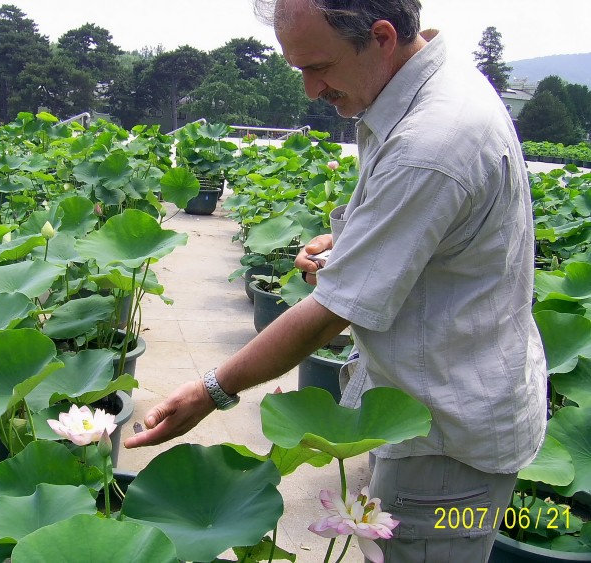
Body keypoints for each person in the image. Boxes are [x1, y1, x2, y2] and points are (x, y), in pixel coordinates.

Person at [125, 0, 547, 560]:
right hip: (434, 404)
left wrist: (211, 390)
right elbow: (434, 231)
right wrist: (350, 247)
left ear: (381, 36)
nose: (309, 89)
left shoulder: (433, 141)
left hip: (447, 447)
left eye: (318, 67)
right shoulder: (421, 84)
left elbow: (330, 312)